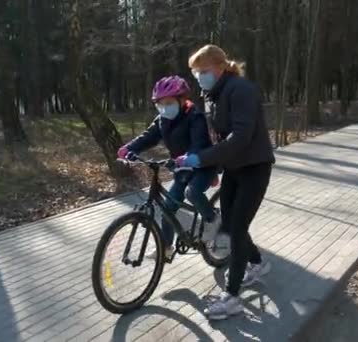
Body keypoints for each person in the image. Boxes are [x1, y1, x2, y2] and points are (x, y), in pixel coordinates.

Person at [178, 44, 276, 320]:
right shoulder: (212, 94)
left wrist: (202, 159)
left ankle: (232, 298)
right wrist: (206, 163)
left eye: (204, 71)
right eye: (196, 72)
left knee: (238, 228)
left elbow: (241, 137)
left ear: (221, 67)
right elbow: (216, 135)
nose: (199, 77)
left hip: (255, 167)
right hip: (234, 168)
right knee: (231, 225)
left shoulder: (241, 90)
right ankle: (257, 263)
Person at [117, 75, 221, 260]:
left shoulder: (195, 117)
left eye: (169, 102)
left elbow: (199, 143)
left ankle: (213, 220)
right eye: (160, 103)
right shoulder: (162, 119)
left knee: (192, 193)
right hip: (182, 169)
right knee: (168, 208)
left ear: (181, 100)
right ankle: (166, 248)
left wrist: (188, 157)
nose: (164, 107)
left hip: (204, 165)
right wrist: (128, 148)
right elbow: (148, 137)